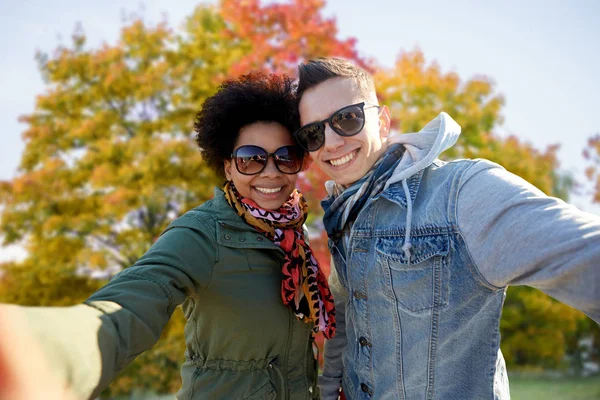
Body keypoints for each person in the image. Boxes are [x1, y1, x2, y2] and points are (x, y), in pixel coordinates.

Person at [0, 72, 335, 400]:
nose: (271, 172)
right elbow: (131, 303)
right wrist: (43, 352)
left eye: (285, 157)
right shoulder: (202, 234)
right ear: (228, 166)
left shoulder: (293, 235)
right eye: (251, 159)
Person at [293, 57, 600, 400]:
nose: (331, 142)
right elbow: (347, 324)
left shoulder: (461, 193)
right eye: (313, 133)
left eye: (347, 119)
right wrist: (328, 386)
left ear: (382, 122)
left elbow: (588, 254)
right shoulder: (344, 216)